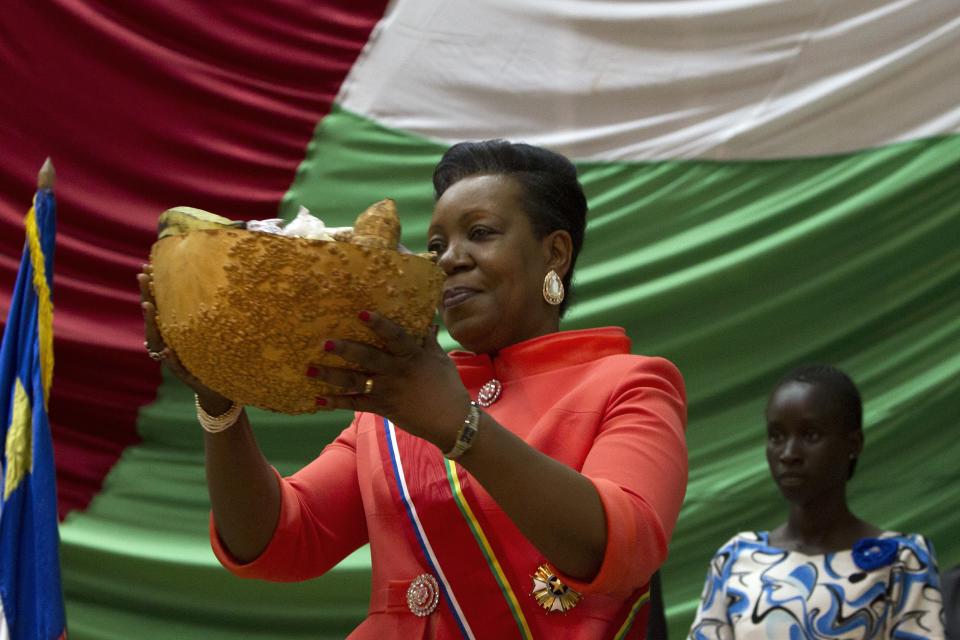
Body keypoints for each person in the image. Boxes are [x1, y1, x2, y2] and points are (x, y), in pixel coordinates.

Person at [140, 140, 688, 638]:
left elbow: (623, 547)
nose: (449, 258)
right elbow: (277, 541)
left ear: (556, 254)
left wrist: (455, 423)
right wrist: (220, 399)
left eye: (480, 233)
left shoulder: (631, 383)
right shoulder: (392, 400)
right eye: (436, 243)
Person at [688, 365, 945, 639]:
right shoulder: (736, 557)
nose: (788, 454)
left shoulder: (902, 560)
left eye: (810, 435)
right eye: (776, 436)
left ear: (853, 444)